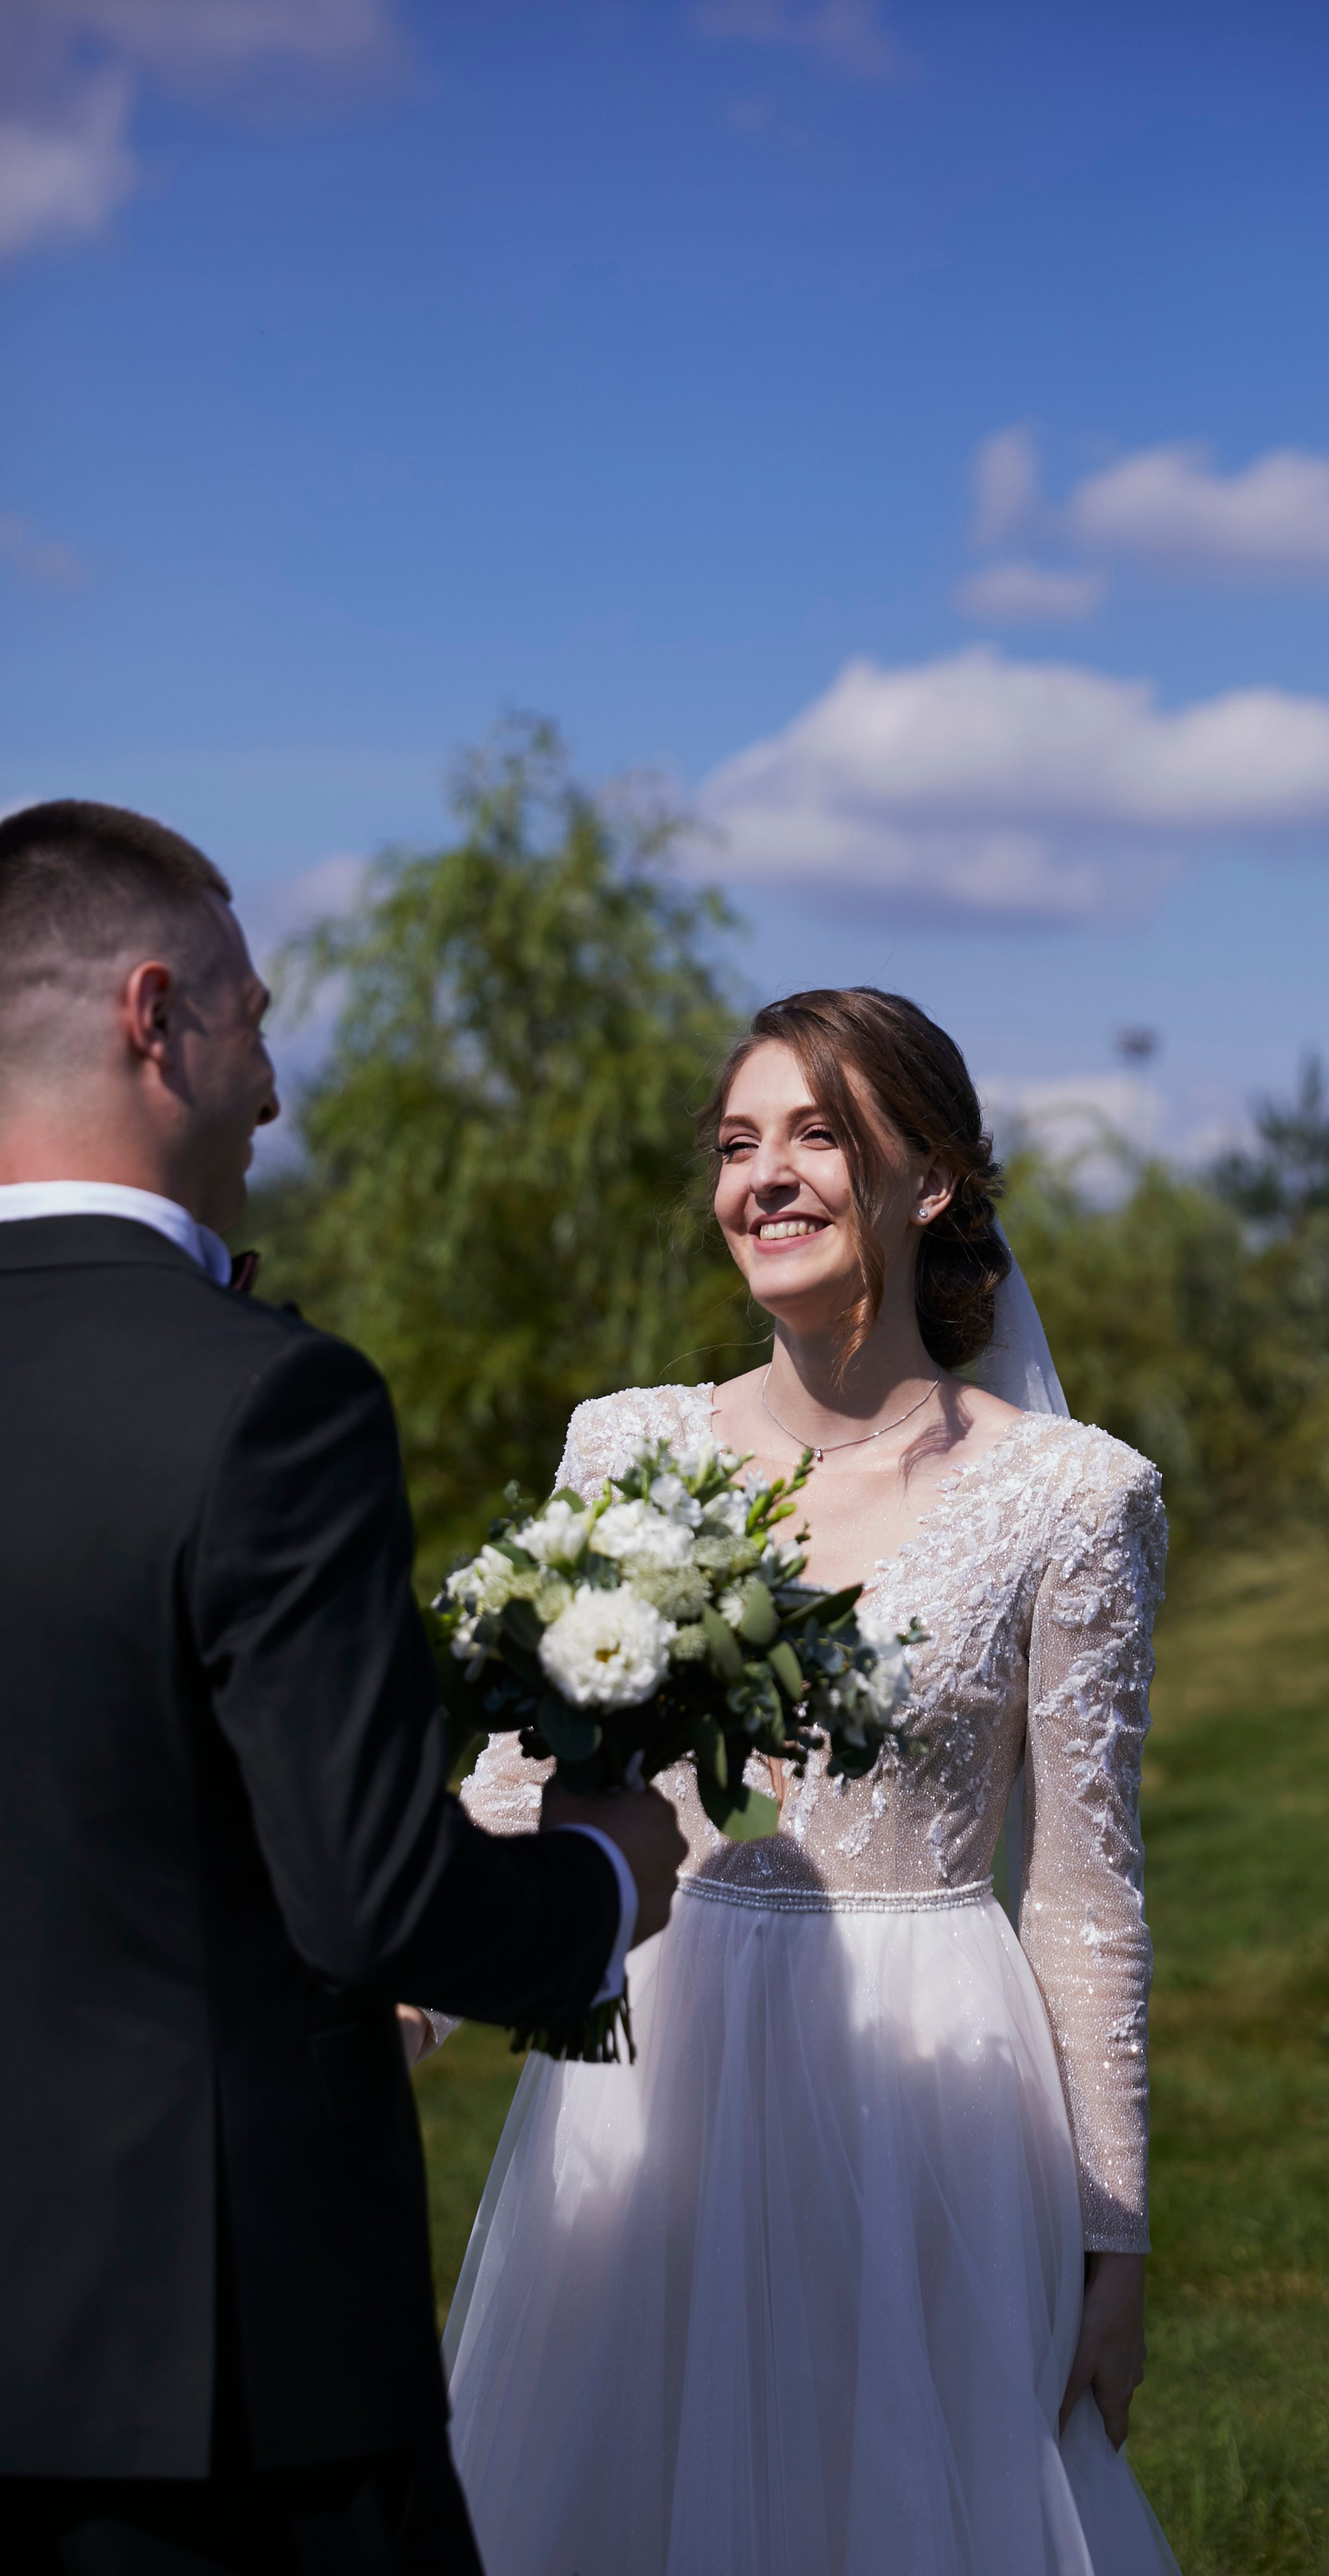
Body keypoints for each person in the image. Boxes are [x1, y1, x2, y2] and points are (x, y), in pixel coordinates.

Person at [0, 802, 685, 2576]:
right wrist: (606, 1877)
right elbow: (371, 1893)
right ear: (156, 1014)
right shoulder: (271, 1399)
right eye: (257, 1019)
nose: (272, 1089)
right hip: (227, 2394)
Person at [441, 987, 1184, 2574]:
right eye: (734, 1143)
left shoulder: (1074, 1495)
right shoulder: (621, 1449)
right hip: (645, 2066)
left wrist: (1109, 2235)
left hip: (926, 2084)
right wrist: (394, 1984)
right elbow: (517, 1779)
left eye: (815, 1135)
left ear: (930, 1181)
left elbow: (1080, 1882)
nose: (760, 1177)